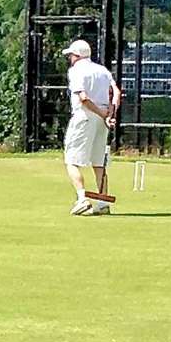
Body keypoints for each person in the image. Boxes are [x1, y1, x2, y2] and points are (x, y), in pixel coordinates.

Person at [62, 39, 121, 216]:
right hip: (101, 119)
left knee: (71, 160)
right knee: (98, 162)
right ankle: (103, 202)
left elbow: (84, 98)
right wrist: (110, 113)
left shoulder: (76, 71)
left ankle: (82, 199)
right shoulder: (102, 70)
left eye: (71, 55)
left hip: (84, 116)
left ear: (77, 55)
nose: (70, 58)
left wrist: (104, 115)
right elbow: (116, 93)